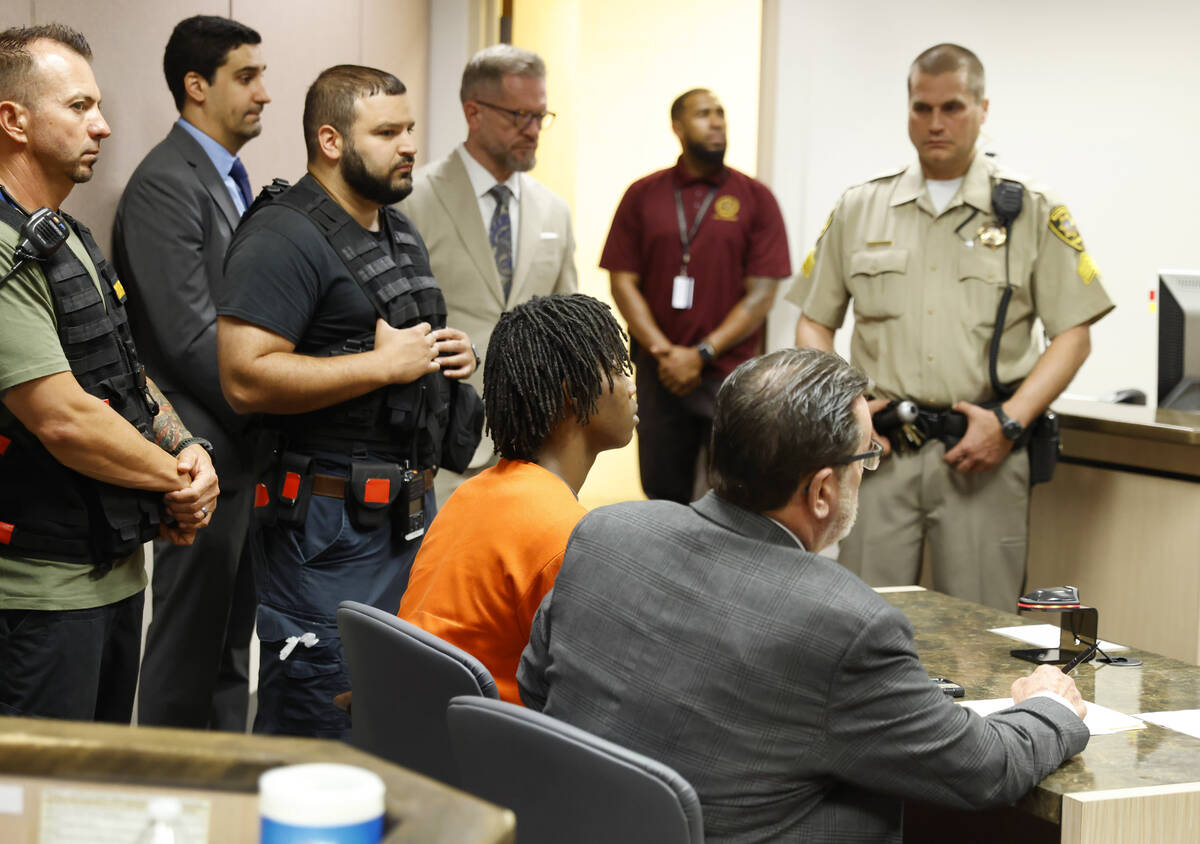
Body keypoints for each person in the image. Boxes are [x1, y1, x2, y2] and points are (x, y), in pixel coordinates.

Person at [519, 347, 1089, 844]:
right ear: (821, 491)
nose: (867, 471)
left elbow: (536, 687)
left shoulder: (605, 533)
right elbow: (982, 767)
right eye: (867, 457)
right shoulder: (844, 623)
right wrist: (1049, 706)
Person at [789, 44, 1114, 611]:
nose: (935, 122)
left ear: (982, 109)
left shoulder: (1030, 209)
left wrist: (1010, 423)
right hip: (879, 457)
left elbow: (1074, 334)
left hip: (983, 455)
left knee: (984, 630)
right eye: (921, 107)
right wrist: (849, 412)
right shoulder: (861, 207)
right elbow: (813, 323)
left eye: (953, 107)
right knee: (866, 617)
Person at [217, 64, 480, 739]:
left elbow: (399, 346)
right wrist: (382, 365)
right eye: (387, 131)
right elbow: (245, 377)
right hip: (324, 530)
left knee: (383, 715)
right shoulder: (283, 235)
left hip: (405, 517)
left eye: (410, 129)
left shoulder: (397, 229)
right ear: (331, 141)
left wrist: (447, 358)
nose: (408, 145)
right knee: (317, 717)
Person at [0, 24, 218, 722]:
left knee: (98, 802)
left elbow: (125, 373)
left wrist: (187, 446)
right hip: (39, 598)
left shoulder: (65, 235)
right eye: (79, 107)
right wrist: (176, 481)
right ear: (15, 120)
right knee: (40, 815)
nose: (104, 125)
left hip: (116, 575)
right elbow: (64, 418)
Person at [113, 14, 269, 732]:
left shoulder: (231, 179)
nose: (264, 92)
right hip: (199, 453)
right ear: (195, 86)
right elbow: (186, 336)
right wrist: (278, 396)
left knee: (231, 654)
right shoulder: (162, 185)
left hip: (243, 452)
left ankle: (224, 804)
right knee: (185, 660)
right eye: (247, 76)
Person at [399, 293, 636, 704]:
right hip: (490, 747)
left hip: (418, 729)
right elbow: (592, 699)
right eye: (617, 368)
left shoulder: (471, 493)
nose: (632, 385)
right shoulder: (565, 535)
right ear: (572, 394)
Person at [400, 44, 576, 505]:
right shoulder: (411, 200)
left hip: (534, 445)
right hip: (442, 438)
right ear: (473, 112)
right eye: (520, 115)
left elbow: (567, 327)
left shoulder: (554, 210)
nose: (534, 130)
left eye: (541, 115)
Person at [601, 87, 790, 504]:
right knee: (662, 493)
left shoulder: (755, 199)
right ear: (677, 126)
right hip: (660, 376)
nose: (717, 121)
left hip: (731, 376)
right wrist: (664, 351)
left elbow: (761, 296)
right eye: (704, 113)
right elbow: (622, 281)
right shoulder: (643, 195)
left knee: (733, 494)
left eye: (721, 113)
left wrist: (701, 353)